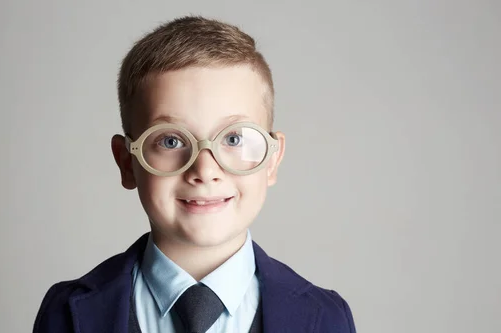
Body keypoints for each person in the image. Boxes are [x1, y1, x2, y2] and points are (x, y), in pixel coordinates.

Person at [33, 15, 356, 333]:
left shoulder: (324, 317)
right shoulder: (66, 312)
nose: (205, 170)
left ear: (272, 159)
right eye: (171, 140)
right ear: (126, 162)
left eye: (233, 139)